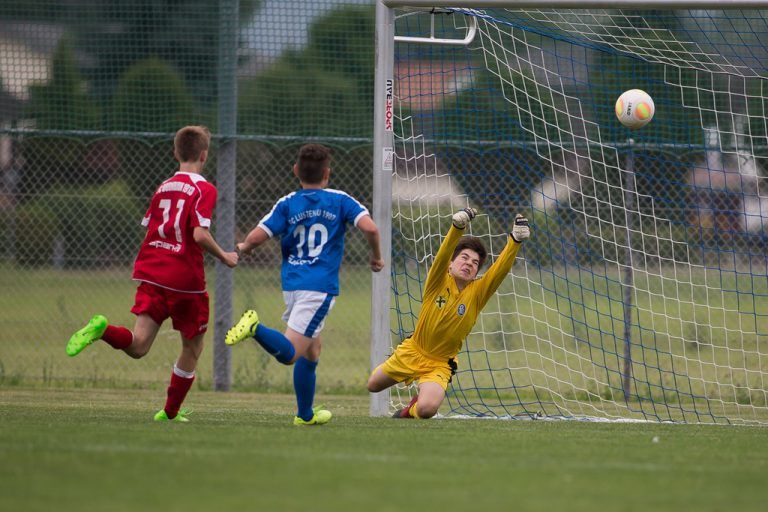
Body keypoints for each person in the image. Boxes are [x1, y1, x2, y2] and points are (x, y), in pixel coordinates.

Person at [65, 125, 239, 422]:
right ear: (204, 155)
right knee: (192, 348)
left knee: (138, 345)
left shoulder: (163, 187)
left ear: (175, 152)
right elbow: (198, 234)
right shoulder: (204, 188)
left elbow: (152, 227)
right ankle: (169, 412)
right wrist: (225, 255)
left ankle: (102, 329)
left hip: (151, 272)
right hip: (184, 280)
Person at [226, 143, 384, 426]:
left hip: (293, 284)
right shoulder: (340, 200)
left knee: (312, 350)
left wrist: (243, 248)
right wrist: (376, 257)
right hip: (319, 287)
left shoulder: (287, 202)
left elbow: (257, 236)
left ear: (296, 170)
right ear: (328, 173)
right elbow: (371, 228)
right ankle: (255, 327)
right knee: (290, 354)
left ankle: (305, 415)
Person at [366, 208, 530, 419]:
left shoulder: (478, 293)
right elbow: (442, 254)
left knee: (426, 410)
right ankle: (409, 384)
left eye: (475, 263)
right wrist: (457, 228)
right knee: (373, 385)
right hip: (412, 350)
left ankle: (410, 410)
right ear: (451, 264)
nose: (469, 264)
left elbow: (500, 270)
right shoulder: (437, 280)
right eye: (464, 258)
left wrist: (515, 241)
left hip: (439, 363)